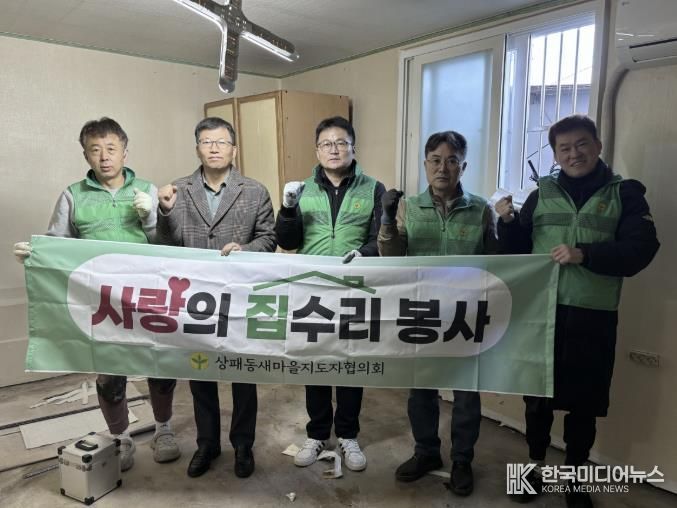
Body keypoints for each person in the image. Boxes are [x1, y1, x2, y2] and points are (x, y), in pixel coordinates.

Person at [496, 115, 659, 508]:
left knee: (584, 405)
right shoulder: (542, 192)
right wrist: (508, 222)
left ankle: (574, 478)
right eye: (564, 148)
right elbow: (517, 251)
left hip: (593, 316)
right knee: (537, 399)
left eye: (582, 144)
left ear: (598, 146)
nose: (574, 154)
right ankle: (533, 468)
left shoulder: (625, 194)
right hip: (542, 314)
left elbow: (641, 249)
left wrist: (585, 254)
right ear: (555, 154)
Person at [12, 117, 180, 472]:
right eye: (95, 150)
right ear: (86, 156)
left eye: (111, 149)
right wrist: (36, 254)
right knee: (110, 374)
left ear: (125, 152)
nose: (104, 157)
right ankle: (121, 437)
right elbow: (58, 244)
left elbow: (168, 246)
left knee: (161, 365)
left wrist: (151, 217)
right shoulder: (73, 195)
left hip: (146, 297)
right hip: (101, 301)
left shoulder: (147, 190)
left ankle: (163, 429)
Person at [378, 130, 497, 497]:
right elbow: (391, 257)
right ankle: (426, 452)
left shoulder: (481, 209)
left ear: (463, 166)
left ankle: (461, 460)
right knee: (421, 393)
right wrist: (386, 218)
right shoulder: (409, 207)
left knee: (466, 395)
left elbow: (498, 262)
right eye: (435, 160)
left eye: (451, 161)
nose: (442, 168)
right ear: (425, 164)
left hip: (466, 315)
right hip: (422, 312)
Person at [156, 117, 276, 479]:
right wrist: (165, 211)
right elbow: (165, 245)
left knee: (243, 374)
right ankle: (207, 444)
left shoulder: (254, 191)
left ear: (234, 149)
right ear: (197, 148)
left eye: (221, 142)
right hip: (196, 297)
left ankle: (243, 445)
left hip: (240, 296)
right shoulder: (178, 189)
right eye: (206, 141)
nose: (213, 148)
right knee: (200, 372)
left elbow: (269, 238)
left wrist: (246, 249)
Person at [275, 116, 385, 472]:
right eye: (326, 143)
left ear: (353, 147)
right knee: (316, 363)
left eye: (341, 142)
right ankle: (318, 433)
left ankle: (348, 434)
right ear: (316, 150)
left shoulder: (373, 188)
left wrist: (365, 253)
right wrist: (288, 207)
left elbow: (380, 238)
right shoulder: (302, 189)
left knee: (351, 364)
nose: (334, 149)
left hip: (354, 289)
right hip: (314, 290)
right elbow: (287, 241)